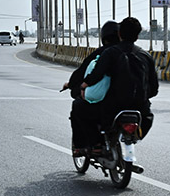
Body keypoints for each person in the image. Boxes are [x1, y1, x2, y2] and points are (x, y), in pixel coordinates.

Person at [81, 17, 158, 139]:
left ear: (119, 33)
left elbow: (97, 74)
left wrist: (84, 85)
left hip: (114, 105)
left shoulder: (110, 53)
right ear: (137, 36)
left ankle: (98, 144)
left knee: (86, 109)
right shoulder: (146, 56)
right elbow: (154, 88)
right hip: (140, 107)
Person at [62, 20, 120, 156]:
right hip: (133, 102)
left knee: (79, 107)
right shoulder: (138, 54)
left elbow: (89, 74)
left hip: (108, 102)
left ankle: (91, 145)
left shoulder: (104, 54)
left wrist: (75, 85)